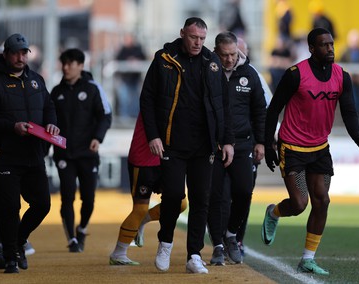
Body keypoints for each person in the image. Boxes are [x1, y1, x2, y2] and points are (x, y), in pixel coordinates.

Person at [262, 28, 359, 275]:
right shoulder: (295, 74)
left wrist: (357, 136)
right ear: (311, 48)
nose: (330, 48)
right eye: (323, 45)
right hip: (292, 146)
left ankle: (307, 259)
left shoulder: (342, 76)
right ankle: (274, 211)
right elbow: (273, 109)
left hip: (320, 148)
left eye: (331, 44)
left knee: (322, 201)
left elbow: (349, 111)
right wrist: (268, 145)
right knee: (299, 204)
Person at [139, 17, 235, 274]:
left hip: (204, 145)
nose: (198, 43)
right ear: (182, 34)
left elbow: (223, 105)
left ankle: (194, 253)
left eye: (202, 39)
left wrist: (227, 140)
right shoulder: (164, 59)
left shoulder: (211, 62)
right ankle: (166, 242)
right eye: (194, 37)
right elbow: (147, 99)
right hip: (171, 142)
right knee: (172, 195)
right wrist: (153, 135)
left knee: (201, 199)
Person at [0, 33, 59, 273]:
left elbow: (49, 107)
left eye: (24, 52)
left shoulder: (36, 79)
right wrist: (12, 127)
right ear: (6, 54)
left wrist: (52, 124)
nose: (20, 57)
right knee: (9, 209)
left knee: (42, 205)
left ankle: (18, 242)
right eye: (16, 52)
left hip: (33, 154)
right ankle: (10, 257)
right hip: (4, 155)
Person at [207, 31, 266, 266]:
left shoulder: (250, 75)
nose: (229, 59)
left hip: (243, 144)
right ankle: (218, 246)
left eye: (233, 54)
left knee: (244, 192)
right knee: (215, 197)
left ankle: (231, 234)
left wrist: (260, 141)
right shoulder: (207, 72)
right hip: (214, 145)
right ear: (216, 52)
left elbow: (260, 110)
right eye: (224, 55)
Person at [50, 48, 112, 253]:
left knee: (89, 198)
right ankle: (72, 240)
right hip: (64, 154)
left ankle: (82, 228)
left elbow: (105, 115)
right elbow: (48, 121)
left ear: (81, 65)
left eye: (70, 63)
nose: (66, 67)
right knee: (67, 197)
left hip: (87, 153)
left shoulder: (93, 89)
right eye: (64, 63)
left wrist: (97, 138)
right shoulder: (56, 92)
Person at [109, 113, 187, 265]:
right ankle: (118, 253)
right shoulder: (153, 98)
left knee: (180, 203)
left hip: (166, 159)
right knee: (139, 208)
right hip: (143, 159)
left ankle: (143, 221)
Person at [115, 33, 146, 121]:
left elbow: (143, 58)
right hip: (125, 78)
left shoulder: (138, 49)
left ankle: (134, 116)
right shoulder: (122, 49)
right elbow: (118, 60)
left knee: (135, 99)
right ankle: (124, 117)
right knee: (124, 98)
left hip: (135, 79)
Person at [339, 29, 359, 120]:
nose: (355, 43)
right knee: (348, 99)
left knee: (357, 98)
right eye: (353, 41)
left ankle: (357, 115)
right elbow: (340, 65)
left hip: (358, 81)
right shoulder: (345, 52)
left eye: (356, 41)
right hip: (348, 80)